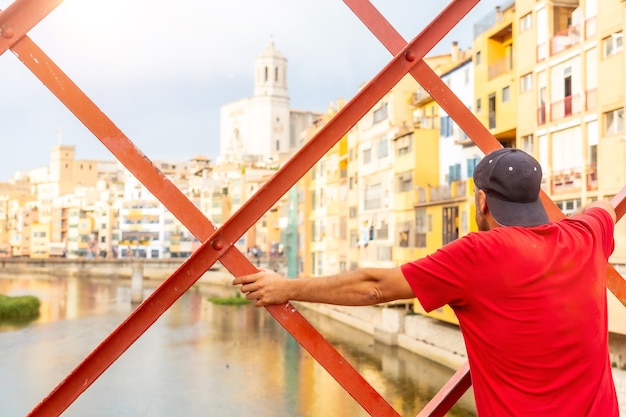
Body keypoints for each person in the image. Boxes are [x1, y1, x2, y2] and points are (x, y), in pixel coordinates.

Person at [232, 148, 618, 416]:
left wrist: (286, 288)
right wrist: (587, 214)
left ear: (482, 202)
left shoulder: (480, 254)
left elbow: (375, 286)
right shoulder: (587, 236)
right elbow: (604, 210)